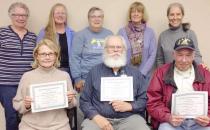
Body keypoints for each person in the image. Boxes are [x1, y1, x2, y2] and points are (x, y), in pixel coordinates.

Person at [80, 35, 150, 130]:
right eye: (112, 47)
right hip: (100, 118)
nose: (115, 50)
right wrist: (96, 117)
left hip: (129, 118)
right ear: (105, 50)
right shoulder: (94, 72)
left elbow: (144, 99)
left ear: (124, 50)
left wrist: (130, 106)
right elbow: (84, 101)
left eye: (119, 47)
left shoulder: (135, 73)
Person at [147, 37, 210, 130]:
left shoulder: (205, 74)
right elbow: (153, 102)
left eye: (188, 55)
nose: (184, 60)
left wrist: (208, 117)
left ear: (193, 56)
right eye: (180, 55)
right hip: (171, 122)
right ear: (173, 55)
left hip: (199, 123)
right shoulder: (161, 73)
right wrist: (168, 117)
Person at [13, 39, 77, 130]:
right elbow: (17, 104)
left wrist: (70, 100)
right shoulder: (27, 77)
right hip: (31, 126)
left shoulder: (64, 76)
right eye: (43, 54)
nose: (47, 57)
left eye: (51, 54)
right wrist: (26, 105)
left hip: (59, 126)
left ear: (56, 56)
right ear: (36, 56)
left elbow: (73, 103)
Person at [70, 7, 113, 130]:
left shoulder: (109, 34)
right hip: (85, 80)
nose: (97, 19)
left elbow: (114, 56)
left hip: (105, 80)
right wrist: (77, 78)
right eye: (93, 16)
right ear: (88, 19)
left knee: (104, 111)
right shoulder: (80, 35)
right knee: (82, 110)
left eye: (99, 16)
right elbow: (74, 57)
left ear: (103, 19)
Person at [0, 2, 37, 130]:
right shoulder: (2, 33)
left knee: (28, 114)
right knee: (12, 116)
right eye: (17, 15)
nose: (21, 18)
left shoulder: (33, 37)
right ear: (11, 16)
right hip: (6, 84)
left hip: (27, 83)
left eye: (24, 15)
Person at [118, 1, 157, 80]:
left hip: (144, 76)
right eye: (133, 12)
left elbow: (153, 54)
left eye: (139, 11)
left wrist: (142, 73)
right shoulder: (122, 32)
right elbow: (119, 53)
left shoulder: (150, 32)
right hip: (126, 75)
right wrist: (125, 72)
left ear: (142, 15)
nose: (136, 14)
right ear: (130, 14)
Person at [156, 2, 202, 67]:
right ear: (168, 16)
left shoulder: (190, 34)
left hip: (187, 75)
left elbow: (196, 55)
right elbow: (160, 59)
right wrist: (162, 74)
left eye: (178, 14)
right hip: (168, 75)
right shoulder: (162, 36)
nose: (175, 17)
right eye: (172, 14)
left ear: (182, 15)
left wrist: (202, 67)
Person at [37, 3, 74, 76]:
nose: (60, 15)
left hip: (68, 72)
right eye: (57, 13)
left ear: (66, 16)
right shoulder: (44, 32)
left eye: (63, 13)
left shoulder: (72, 33)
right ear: (52, 15)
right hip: (49, 71)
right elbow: (38, 53)